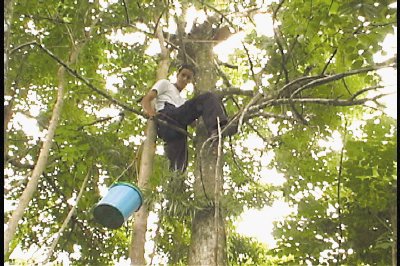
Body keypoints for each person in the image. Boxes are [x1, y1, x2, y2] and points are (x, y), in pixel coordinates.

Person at [141, 64, 229, 172]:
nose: (184, 79)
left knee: (180, 165)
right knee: (208, 97)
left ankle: (175, 185)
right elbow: (146, 99)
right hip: (168, 116)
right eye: (183, 75)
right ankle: (217, 128)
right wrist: (151, 114)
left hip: (178, 128)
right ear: (177, 75)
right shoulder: (165, 84)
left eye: (188, 78)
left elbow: (191, 121)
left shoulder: (182, 101)